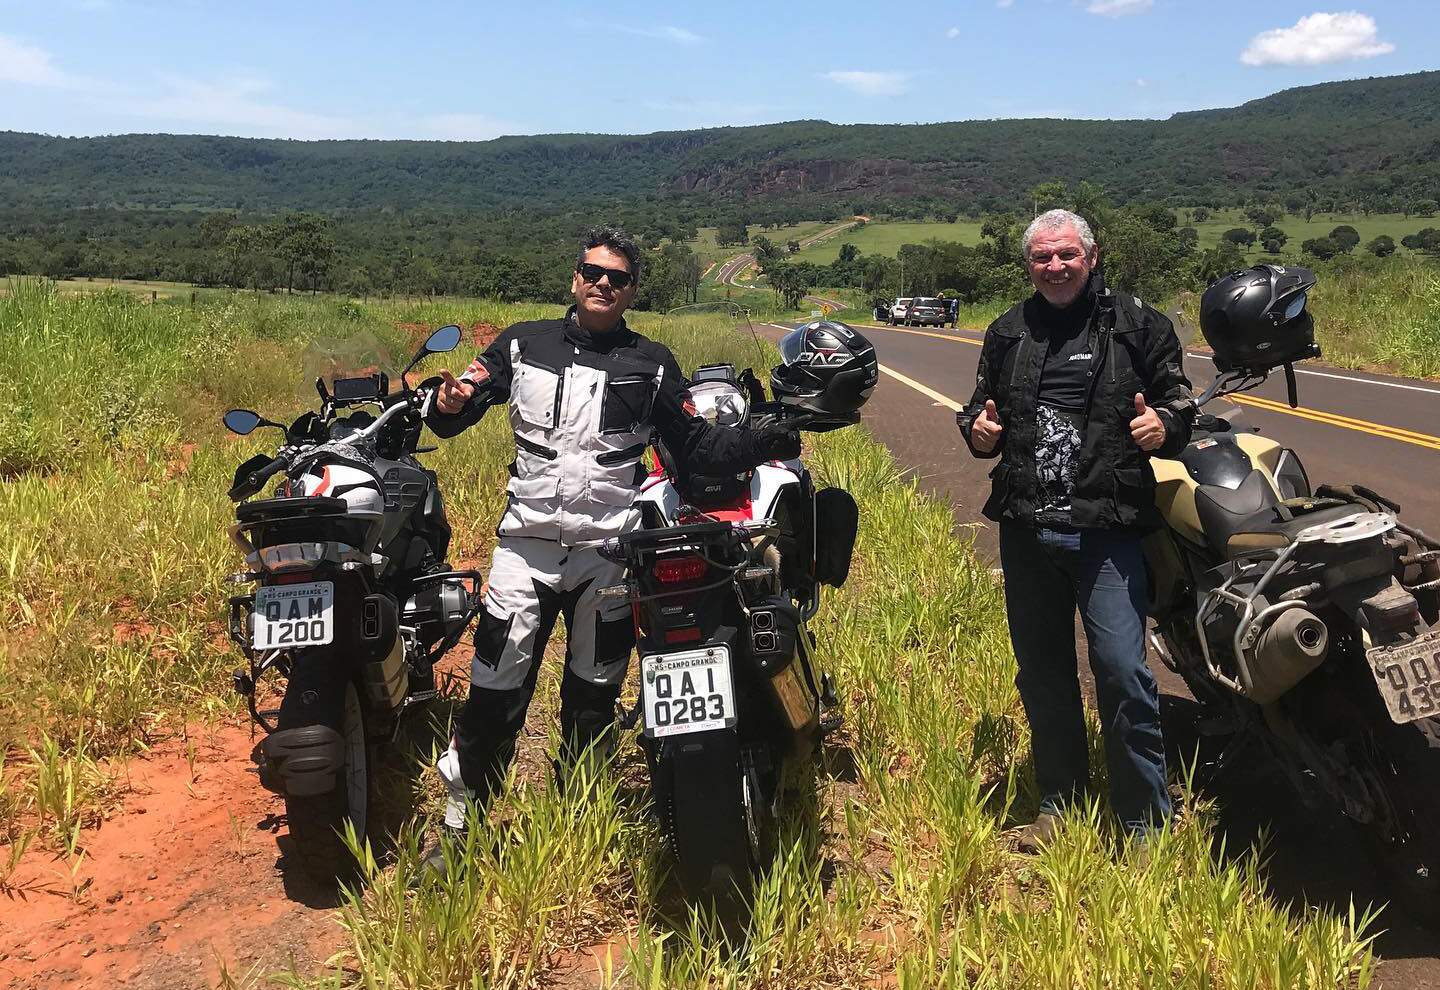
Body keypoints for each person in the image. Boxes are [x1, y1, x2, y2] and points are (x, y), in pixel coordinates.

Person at [420, 226, 799, 865]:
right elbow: (452, 413)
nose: (602, 283)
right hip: (526, 550)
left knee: (594, 693)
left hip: (610, 558)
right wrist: (447, 400)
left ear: (630, 292)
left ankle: (576, 818)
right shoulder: (521, 343)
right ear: (574, 278)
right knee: (493, 688)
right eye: (593, 271)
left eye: (617, 278)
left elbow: (696, 449)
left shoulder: (653, 364)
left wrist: (770, 436)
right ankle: (463, 826)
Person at [955, 209, 1195, 851]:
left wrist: (1163, 427)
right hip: (1028, 526)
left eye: (1066, 256)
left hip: (1108, 526)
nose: (1055, 267)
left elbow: (1179, 402)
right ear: (1029, 265)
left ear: (1090, 258)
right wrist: (978, 434)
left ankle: (1144, 821)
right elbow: (979, 411)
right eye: (1042, 258)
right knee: (1043, 672)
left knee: (1121, 669)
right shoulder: (1007, 331)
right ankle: (1059, 804)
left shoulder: (1140, 325)